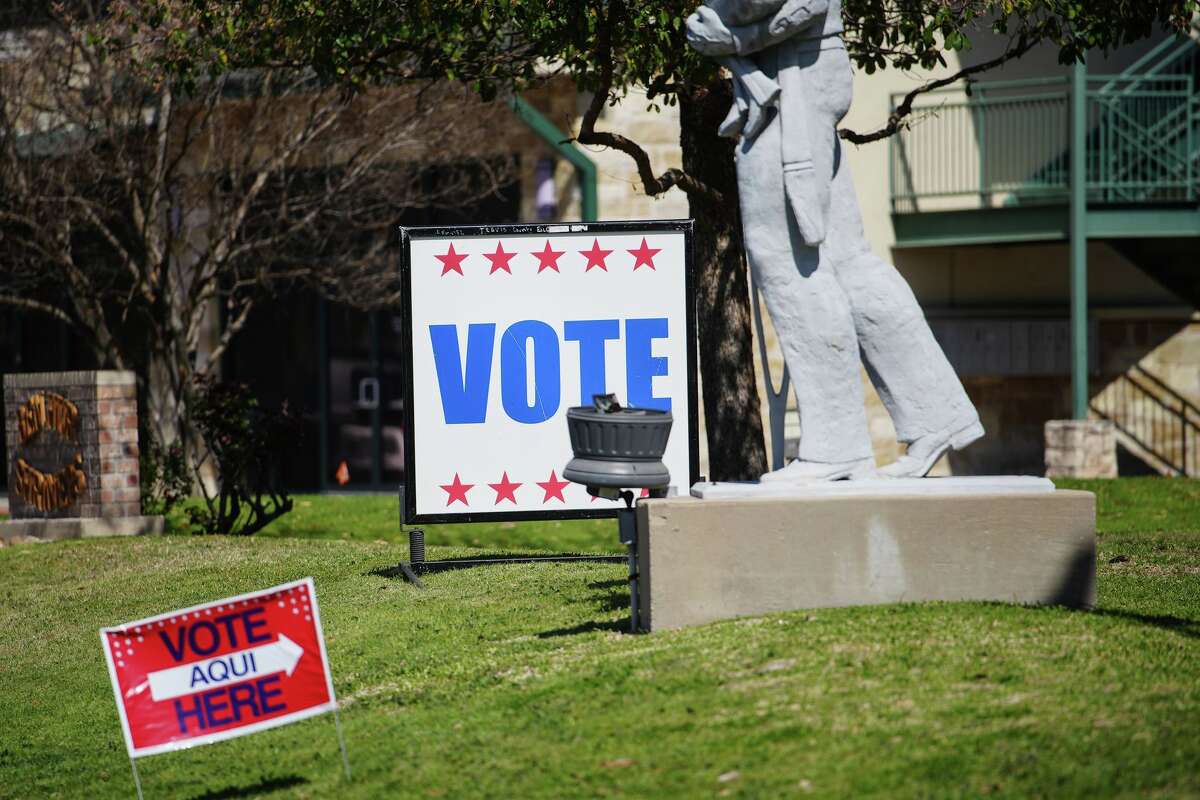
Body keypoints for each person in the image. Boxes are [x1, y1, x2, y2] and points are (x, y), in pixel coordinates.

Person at [687, 0, 984, 481]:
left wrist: (724, 33)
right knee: (846, 262)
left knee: (788, 264)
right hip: (800, 82)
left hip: (793, 89)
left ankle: (835, 445)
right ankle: (936, 415)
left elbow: (769, 8)